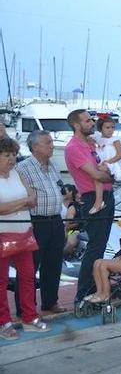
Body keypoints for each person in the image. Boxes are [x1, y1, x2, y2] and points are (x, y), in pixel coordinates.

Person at [0, 137, 51, 340]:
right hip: (2, 236)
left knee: (29, 277)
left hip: (24, 234)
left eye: (13, 154)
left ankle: (30, 317)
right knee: (1, 281)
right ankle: (3, 322)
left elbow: (33, 199)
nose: (12, 159)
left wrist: (15, 206)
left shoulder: (18, 173)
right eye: (6, 155)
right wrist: (21, 203)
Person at [64, 109, 115, 303]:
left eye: (91, 120)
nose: (92, 123)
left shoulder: (92, 143)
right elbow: (95, 174)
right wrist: (112, 176)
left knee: (100, 246)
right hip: (94, 197)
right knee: (95, 247)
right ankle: (84, 293)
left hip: (107, 196)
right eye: (87, 121)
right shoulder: (73, 147)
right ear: (76, 125)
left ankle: (95, 289)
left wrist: (110, 175)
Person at [16, 130, 67, 314]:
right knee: (30, 266)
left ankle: (50, 301)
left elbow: (59, 188)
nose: (52, 145)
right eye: (48, 142)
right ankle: (25, 307)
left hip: (55, 220)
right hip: (36, 222)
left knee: (54, 264)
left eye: (52, 142)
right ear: (35, 147)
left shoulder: (53, 165)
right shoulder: (23, 168)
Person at [90, 117, 121, 215]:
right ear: (101, 128)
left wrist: (109, 162)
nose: (110, 130)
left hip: (112, 163)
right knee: (97, 178)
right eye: (107, 127)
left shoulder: (115, 140)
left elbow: (120, 154)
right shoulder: (98, 139)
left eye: (112, 127)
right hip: (102, 161)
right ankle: (99, 201)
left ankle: (98, 202)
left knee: (98, 177)